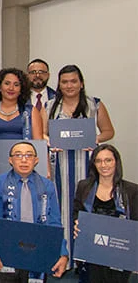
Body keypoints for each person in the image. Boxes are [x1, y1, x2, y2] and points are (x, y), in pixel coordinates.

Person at [42, 65, 114, 262]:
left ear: (81, 83)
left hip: (87, 166)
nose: (69, 85)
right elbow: (41, 133)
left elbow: (109, 131)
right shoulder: (49, 106)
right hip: (59, 168)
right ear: (59, 84)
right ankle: (63, 259)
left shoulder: (95, 105)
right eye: (64, 82)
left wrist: (95, 139)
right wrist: (48, 140)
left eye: (73, 81)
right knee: (61, 211)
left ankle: (87, 259)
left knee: (87, 210)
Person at [0, 141, 68, 281]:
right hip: (5, 253)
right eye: (18, 155)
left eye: (29, 155)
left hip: (37, 252)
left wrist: (62, 253)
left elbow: (54, 222)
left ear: (36, 160)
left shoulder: (47, 186)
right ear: (10, 160)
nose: (24, 159)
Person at [72, 144, 138, 282]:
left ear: (116, 162)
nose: (104, 165)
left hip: (119, 252)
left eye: (108, 160)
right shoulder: (84, 187)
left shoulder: (131, 190)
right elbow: (77, 213)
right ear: (94, 164)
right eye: (98, 161)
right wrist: (77, 224)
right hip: (91, 252)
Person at [0, 68, 43, 140]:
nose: (11, 88)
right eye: (7, 83)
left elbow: (38, 143)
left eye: (16, 85)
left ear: (21, 89)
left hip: (23, 150)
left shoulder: (31, 111)